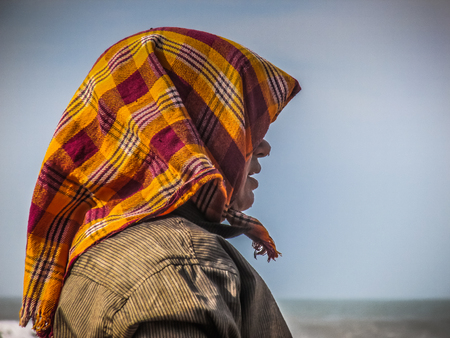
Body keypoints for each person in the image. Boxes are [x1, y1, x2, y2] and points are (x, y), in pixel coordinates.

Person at [20, 27, 300, 337]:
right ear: (192, 132)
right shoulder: (179, 264)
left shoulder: (96, 249)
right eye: (246, 123)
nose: (264, 147)